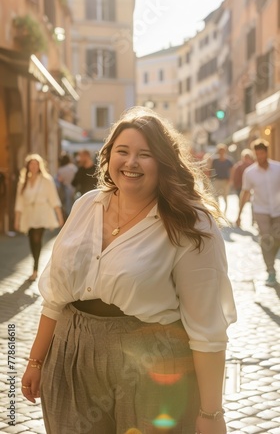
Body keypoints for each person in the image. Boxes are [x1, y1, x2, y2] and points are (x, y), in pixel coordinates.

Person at [21, 108, 236, 434]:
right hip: (69, 357)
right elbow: (54, 296)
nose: (131, 162)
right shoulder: (85, 206)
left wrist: (211, 413)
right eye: (122, 151)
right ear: (108, 157)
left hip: (153, 366)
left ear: (163, 162)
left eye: (144, 154)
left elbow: (207, 329)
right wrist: (36, 361)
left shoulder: (191, 222)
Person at [236, 139, 280, 287]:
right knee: (266, 239)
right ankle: (271, 271)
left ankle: (271, 261)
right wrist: (239, 214)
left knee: (277, 238)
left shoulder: (278, 168)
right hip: (261, 211)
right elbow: (245, 193)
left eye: (262, 153)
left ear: (266, 153)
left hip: (278, 211)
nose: (260, 156)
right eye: (257, 154)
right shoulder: (250, 173)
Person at [14, 154, 64, 281]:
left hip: (42, 214)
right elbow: (19, 202)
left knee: (37, 239)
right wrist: (17, 219)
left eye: (36, 164)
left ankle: (35, 269)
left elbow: (54, 199)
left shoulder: (46, 180)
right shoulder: (23, 181)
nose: (34, 166)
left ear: (39, 166)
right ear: (28, 166)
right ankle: (34, 265)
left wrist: (59, 217)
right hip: (28, 215)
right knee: (31, 241)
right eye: (31, 164)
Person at [210, 144, 234, 213]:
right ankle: (218, 210)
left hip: (225, 180)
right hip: (217, 180)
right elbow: (210, 169)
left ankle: (225, 211)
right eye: (220, 151)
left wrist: (231, 179)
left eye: (222, 150)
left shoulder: (229, 160)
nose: (221, 152)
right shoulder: (214, 160)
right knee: (215, 195)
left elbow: (232, 170)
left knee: (225, 196)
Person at [55, 152, 77, 219]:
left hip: (65, 189)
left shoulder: (60, 170)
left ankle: (68, 218)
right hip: (74, 188)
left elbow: (58, 180)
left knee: (67, 205)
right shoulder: (73, 167)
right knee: (74, 204)